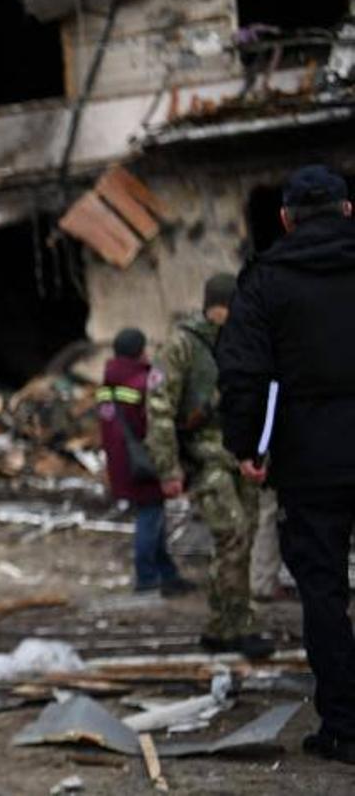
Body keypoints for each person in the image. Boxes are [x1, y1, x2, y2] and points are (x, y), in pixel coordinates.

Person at [217, 163, 355, 765]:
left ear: (285, 220)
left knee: (323, 594)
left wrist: (248, 447)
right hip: (315, 459)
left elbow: (245, 373)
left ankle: (345, 728)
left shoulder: (266, 282)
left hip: (311, 464)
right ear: (348, 211)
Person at [145, 273, 274, 659]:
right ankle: (239, 626)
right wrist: (168, 469)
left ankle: (222, 626)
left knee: (242, 541)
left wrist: (261, 453)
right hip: (205, 460)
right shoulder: (182, 345)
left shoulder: (243, 341)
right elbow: (159, 409)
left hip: (241, 457)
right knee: (232, 536)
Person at [97, 327, 193, 595]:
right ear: (140, 351)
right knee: (150, 517)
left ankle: (167, 574)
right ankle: (147, 578)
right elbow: (156, 427)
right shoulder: (143, 382)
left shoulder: (107, 383)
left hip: (121, 461)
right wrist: (169, 464)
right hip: (145, 461)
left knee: (153, 516)